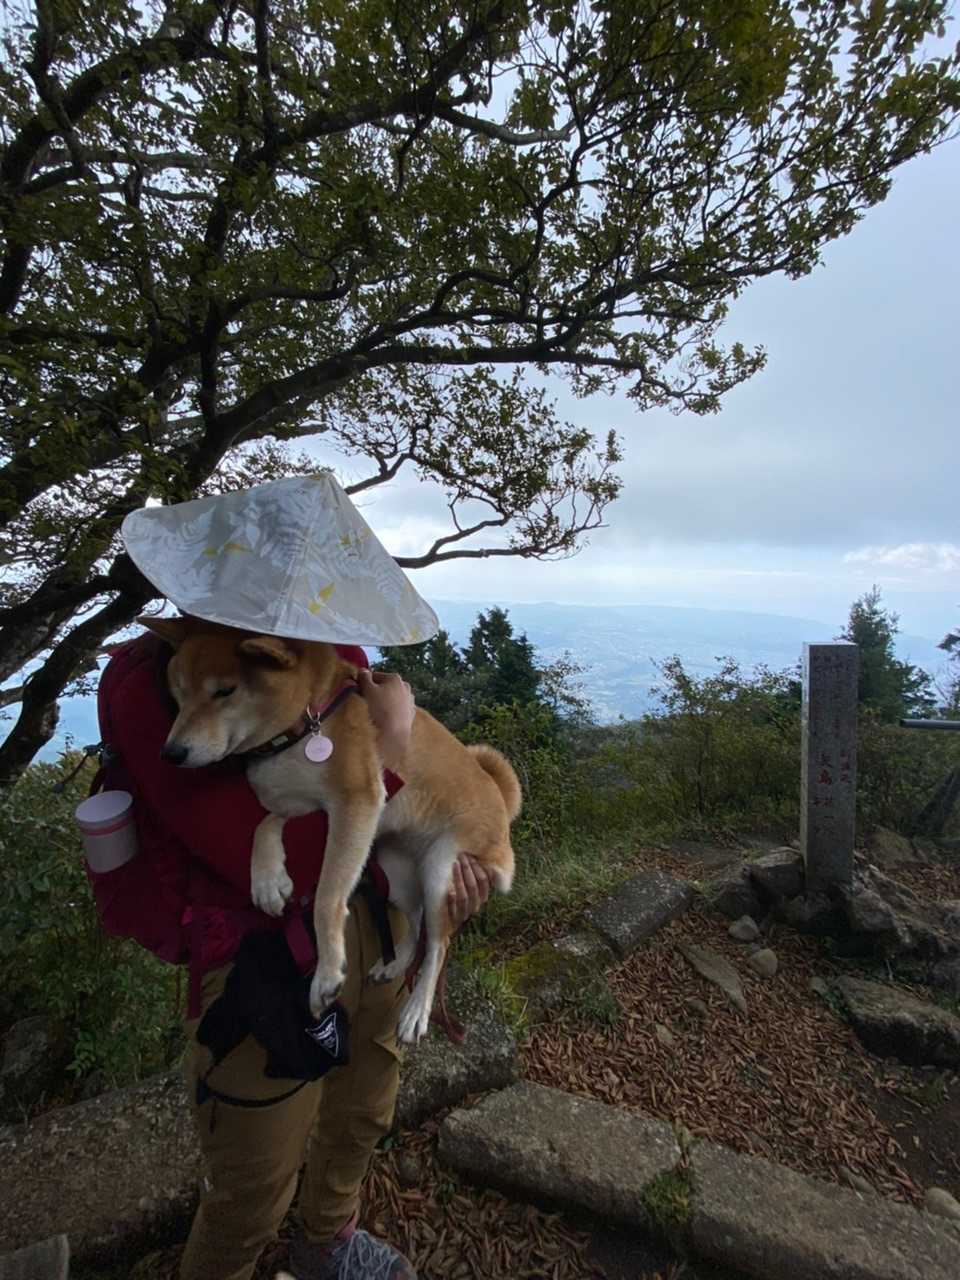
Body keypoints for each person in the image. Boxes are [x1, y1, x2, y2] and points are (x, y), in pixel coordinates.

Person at [86, 475, 492, 1280]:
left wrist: (445, 875)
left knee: (364, 1102)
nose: (302, 606)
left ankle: (327, 1239)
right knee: (253, 1173)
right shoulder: (148, 684)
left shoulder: (320, 646)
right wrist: (394, 742)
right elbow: (263, 854)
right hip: (255, 958)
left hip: (367, 916)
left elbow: (367, 795)